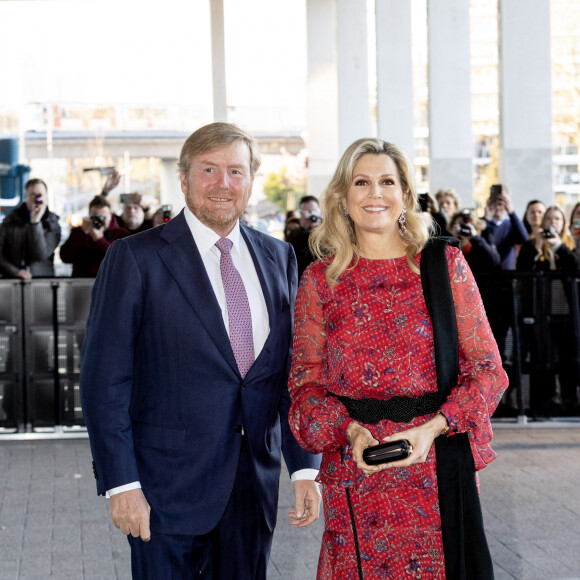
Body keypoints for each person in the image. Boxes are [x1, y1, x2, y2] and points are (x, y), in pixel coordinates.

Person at [80, 122, 321, 580]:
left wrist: (305, 469)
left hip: (253, 490)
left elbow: (293, 375)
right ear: (184, 178)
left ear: (251, 180)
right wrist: (121, 483)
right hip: (163, 493)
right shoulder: (135, 258)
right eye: (209, 170)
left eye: (236, 171)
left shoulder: (280, 257)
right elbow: (103, 381)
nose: (223, 183)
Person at [287, 138, 508, 578]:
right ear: (342, 198)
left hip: (437, 468)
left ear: (405, 194)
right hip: (355, 474)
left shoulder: (444, 266)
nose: (375, 193)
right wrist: (349, 432)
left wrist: (433, 428)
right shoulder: (320, 280)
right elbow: (303, 390)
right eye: (361, 182)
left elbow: (488, 372)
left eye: (387, 181)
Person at [516, 206, 580, 416]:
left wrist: (559, 246)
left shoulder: (569, 245)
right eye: (549, 219)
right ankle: (542, 402)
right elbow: (522, 271)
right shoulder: (533, 246)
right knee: (542, 357)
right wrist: (540, 246)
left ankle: (569, 401)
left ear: (564, 223)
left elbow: (574, 265)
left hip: (566, 311)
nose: (553, 222)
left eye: (558, 219)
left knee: (567, 356)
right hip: (539, 311)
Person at [0, 178, 61, 279]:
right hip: (13, 281)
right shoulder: (10, 221)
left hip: (42, 282)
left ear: (46, 197)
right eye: (33, 194)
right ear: (25, 197)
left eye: (40, 194)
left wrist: (35, 223)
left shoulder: (53, 224)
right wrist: (14, 271)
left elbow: (40, 255)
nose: (37, 198)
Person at [59, 195, 130, 277]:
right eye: (96, 217)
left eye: (103, 217)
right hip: (81, 285)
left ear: (111, 216)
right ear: (89, 216)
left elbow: (119, 261)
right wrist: (81, 233)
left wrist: (99, 239)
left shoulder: (122, 235)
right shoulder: (80, 232)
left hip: (110, 283)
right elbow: (65, 257)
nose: (100, 220)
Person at [482, 184, 528, 270]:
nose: (498, 207)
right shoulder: (482, 223)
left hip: (507, 276)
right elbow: (479, 240)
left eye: (501, 202)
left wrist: (511, 211)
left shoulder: (511, 225)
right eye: (494, 202)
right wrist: (486, 219)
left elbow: (524, 238)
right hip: (485, 275)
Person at [448, 208, 500, 272]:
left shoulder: (485, 233)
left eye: (468, 224)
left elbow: (495, 260)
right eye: (461, 226)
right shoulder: (449, 238)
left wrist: (475, 237)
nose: (465, 228)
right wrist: (452, 238)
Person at [287, 195, 322, 278]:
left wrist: (321, 225)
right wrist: (305, 226)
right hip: (304, 282)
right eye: (307, 212)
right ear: (301, 214)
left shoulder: (328, 230)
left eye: (313, 210)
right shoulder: (296, 234)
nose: (311, 215)